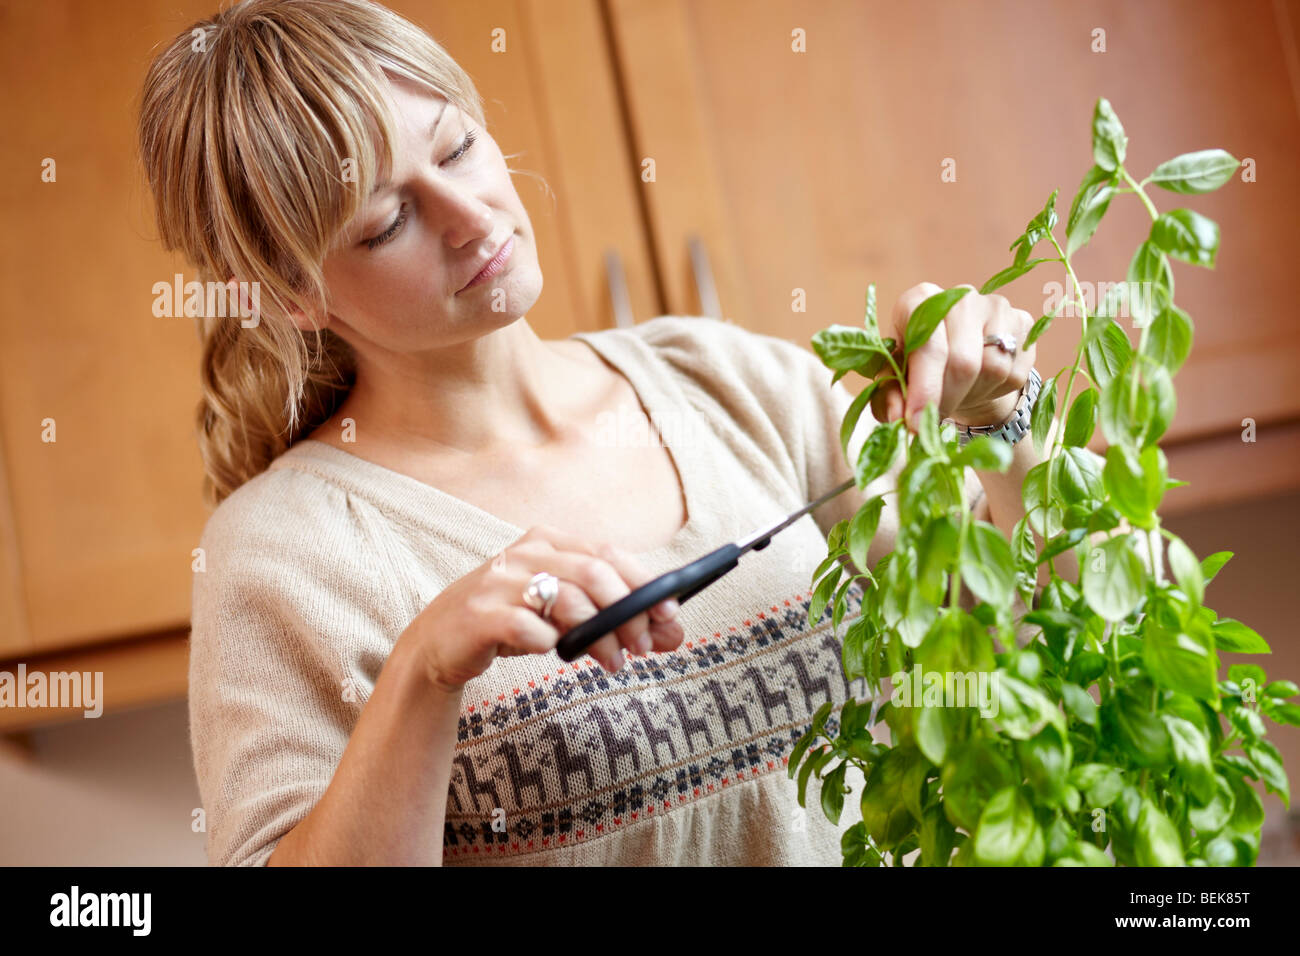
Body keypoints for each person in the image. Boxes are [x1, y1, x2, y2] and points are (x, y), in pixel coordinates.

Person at [138, 0, 1047, 866]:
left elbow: (1049, 632)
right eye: (387, 223)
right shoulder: (281, 557)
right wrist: (425, 671)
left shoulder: (727, 380)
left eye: (457, 149)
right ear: (295, 295)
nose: (470, 218)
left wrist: (1004, 418)